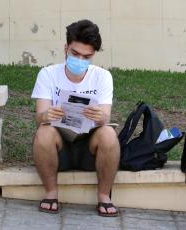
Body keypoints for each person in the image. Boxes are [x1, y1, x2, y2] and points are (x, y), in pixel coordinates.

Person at [31, 19, 120, 217]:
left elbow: (105, 118)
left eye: (86, 56)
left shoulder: (103, 76)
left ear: (93, 55)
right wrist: (47, 115)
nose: (80, 60)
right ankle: (51, 193)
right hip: (58, 147)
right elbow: (39, 118)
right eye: (75, 54)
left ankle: (104, 196)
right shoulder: (48, 74)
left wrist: (99, 116)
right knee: (44, 131)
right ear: (66, 48)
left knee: (108, 133)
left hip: (89, 146)